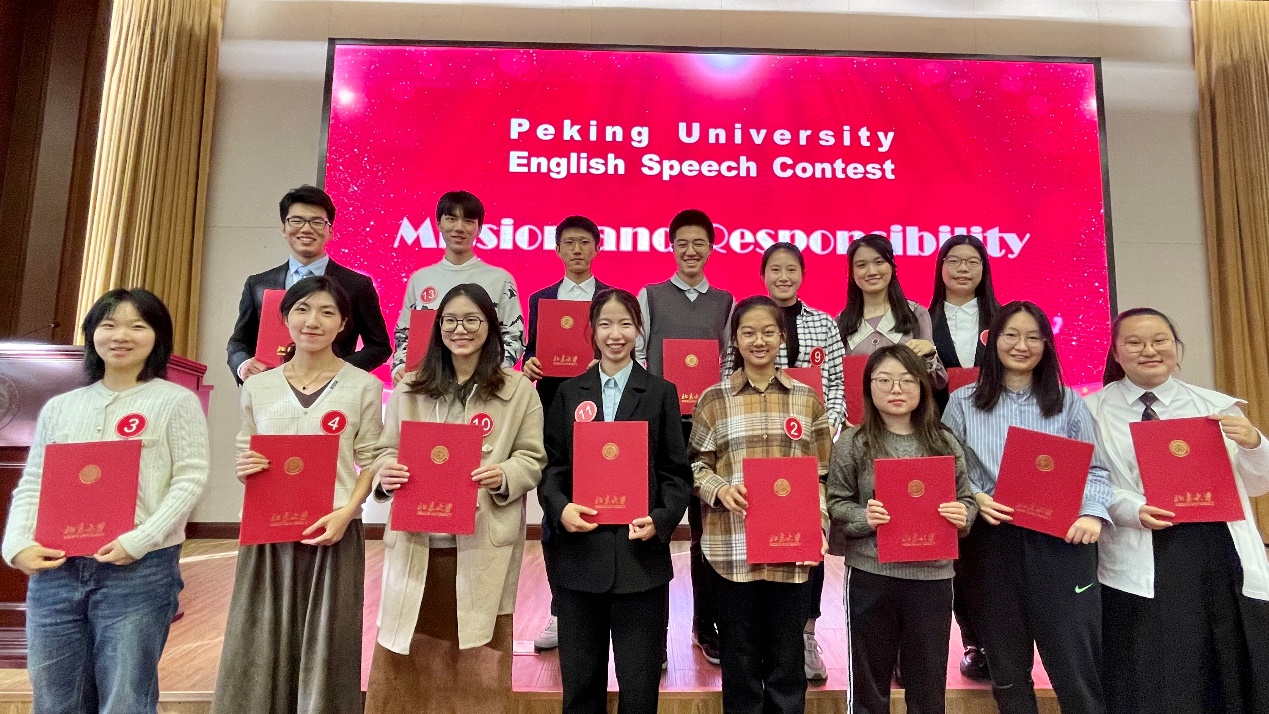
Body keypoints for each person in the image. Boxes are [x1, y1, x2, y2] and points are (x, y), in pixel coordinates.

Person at [3, 288, 208, 714]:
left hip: (139, 571)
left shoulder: (175, 401)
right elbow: (35, 481)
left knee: (125, 700)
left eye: (138, 326)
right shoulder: (60, 407)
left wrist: (140, 540)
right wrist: (17, 543)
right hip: (57, 570)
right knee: (55, 700)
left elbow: (190, 479)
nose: (121, 335)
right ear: (92, 333)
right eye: (109, 324)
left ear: (157, 337)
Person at [364, 284, 546, 714]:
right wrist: (385, 473)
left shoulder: (518, 389)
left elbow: (533, 457)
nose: (460, 329)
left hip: (482, 541)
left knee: (478, 662)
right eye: (450, 320)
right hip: (418, 540)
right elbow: (384, 450)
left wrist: (505, 474)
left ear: (490, 327)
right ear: (437, 327)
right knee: (407, 658)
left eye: (471, 320)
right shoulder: (410, 387)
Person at [212, 276, 383, 714]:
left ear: (343, 323)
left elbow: (371, 459)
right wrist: (245, 466)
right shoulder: (258, 385)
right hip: (268, 533)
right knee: (262, 638)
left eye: (327, 312)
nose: (313, 321)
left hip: (334, 530)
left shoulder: (363, 385)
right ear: (285, 318)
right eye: (303, 310)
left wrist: (348, 512)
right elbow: (246, 449)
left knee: (330, 641)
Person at [1086, 307, 1269, 714]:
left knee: (1222, 657)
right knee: (1154, 664)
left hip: (1214, 548)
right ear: (1116, 353)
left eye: (1160, 341)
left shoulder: (1215, 405)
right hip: (1143, 544)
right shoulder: (1090, 411)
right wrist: (1131, 508)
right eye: (1134, 343)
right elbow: (1087, 481)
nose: (1149, 350)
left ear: (1176, 348)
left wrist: (1255, 443)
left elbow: (1258, 484)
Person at [941, 301, 1111, 714]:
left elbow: (1096, 470)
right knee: (1007, 668)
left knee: (1074, 664)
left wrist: (1091, 513)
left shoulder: (1068, 402)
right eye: (1012, 335)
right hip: (991, 542)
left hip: (1060, 543)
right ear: (992, 341)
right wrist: (977, 496)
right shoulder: (962, 402)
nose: (1022, 345)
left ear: (1047, 345)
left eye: (1034, 337)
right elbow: (947, 469)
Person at [538, 288, 692, 714]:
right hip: (579, 560)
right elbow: (552, 468)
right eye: (605, 324)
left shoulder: (660, 392)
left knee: (639, 688)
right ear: (592, 331)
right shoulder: (569, 393)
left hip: (640, 561)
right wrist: (561, 507)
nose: (615, 334)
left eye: (625, 323)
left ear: (638, 329)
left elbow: (676, 473)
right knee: (580, 687)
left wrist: (660, 519)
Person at [689, 296, 833, 714]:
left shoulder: (807, 399)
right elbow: (695, 465)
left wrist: (818, 524)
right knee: (740, 660)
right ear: (735, 339)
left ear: (782, 337)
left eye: (768, 332)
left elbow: (821, 474)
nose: (759, 341)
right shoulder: (714, 399)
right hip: (732, 550)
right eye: (748, 332)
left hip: (792, 551)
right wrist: (719, 489)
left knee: (787, 663)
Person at [827, 344, 977, 713]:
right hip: (871, 574)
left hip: (932, 577)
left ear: (923, 386)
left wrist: (963, 515)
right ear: (869, 386)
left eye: (907, 380)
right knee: (868, 684)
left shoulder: (944, 441)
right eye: (885, 380)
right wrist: (865, 517)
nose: (896, 389)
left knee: (927, 686)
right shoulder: (853, 442)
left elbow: (967, 499)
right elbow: (836, 504)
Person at [722, 241, 846, 681]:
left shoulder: (823, 323)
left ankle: (806, 635)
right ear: (763, 275)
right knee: (755, 559)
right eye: (775, 269)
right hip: (750, 455)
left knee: (804, 547)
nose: (783, 276)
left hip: (803, 447)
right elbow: (728, 377)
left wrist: (826, 425)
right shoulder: (744, 319)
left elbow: (836, 384)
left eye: (791, 269)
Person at [634, 208, 735, 665]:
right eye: (682, 243)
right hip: (661, 426)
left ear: (711, 247)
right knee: (651, 527)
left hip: (709, 430)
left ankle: (705, 624)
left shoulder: (726, 302)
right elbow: (638, 355)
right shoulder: (651, 297)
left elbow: (729, 361)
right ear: (670, 246)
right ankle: (651, 640)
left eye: (699, 243)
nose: (690, 251)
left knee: (705, 532)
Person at [523, 215, 612, 651]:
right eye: (569, 243)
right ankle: (561, 612)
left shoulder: (611, 300)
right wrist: (529, 363)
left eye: (585, 242)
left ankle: (603, 609)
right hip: (553, 415)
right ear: (557, 249)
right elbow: (530, 352)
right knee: (554, 511)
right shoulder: (540, 299)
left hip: (602, 420)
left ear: (597, 248)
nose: (577, 249)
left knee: (604, 510)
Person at [926, 234, 1001, 681]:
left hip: (996, 439)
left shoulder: (1003, 319)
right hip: (940, 439)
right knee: (959, 544)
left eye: (972, 261)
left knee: (997, 543)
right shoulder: (922, 320)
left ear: (984, 269)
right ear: (940, 267)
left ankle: (1004, 637)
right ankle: (974, 639)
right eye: (953, 260)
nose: (962, 269)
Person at [227, 184, 392, 384]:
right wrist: (243, 365)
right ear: (284, 228)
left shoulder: (357, 285)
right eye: (297, 220)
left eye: (317, 222)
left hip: (332, 392)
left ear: (330, 231)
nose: (306, 229)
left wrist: (337, 371)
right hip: (271, 387)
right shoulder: (258, 284)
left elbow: (379, 346)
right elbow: (238, 342)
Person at [391, 191, 524, 384]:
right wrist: (400, 367)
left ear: (479, 228)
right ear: (438, 224)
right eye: (451, 219)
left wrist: (490, 373)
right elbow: (404, 334)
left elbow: (514, 336)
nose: (459, 228)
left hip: (483, 385)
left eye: (468, 221)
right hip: (428, 384)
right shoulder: (420, 279)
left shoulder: (500, 279)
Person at [836, 233, 945, 390]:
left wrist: (929, 354)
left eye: (879, 262)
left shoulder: (915, 313)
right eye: (861, 265)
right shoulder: (840, 322)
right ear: (851, 272)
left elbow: (938, 382)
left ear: (892, 266)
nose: (871, 271)